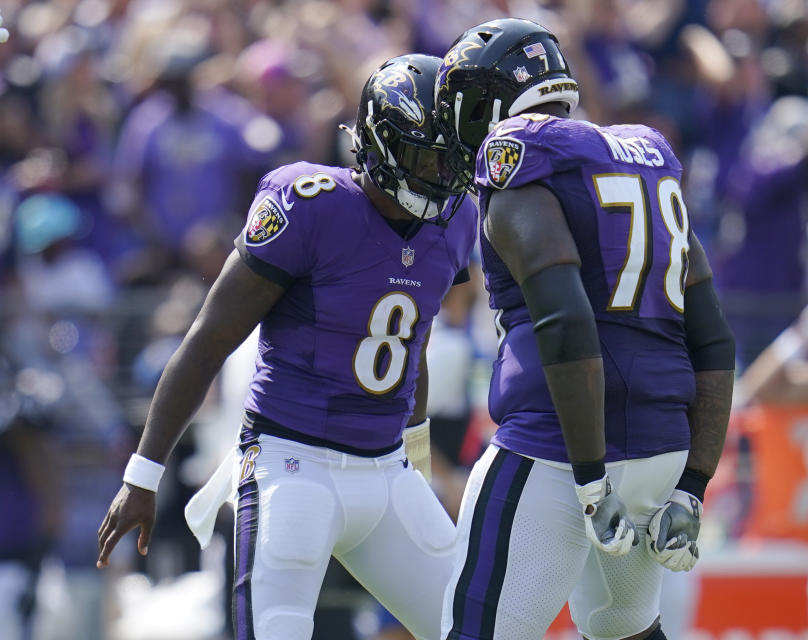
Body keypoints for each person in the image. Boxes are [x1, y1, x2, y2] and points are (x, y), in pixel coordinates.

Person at [96, 54, 478, 640]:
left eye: (451, 155)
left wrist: (419, 462)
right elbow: (209, 338)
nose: (443, 173)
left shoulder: (455, 219)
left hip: (386, 468)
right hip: (290, 464)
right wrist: (142, 474)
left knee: (478, 626)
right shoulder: (311, 202)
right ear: (381, 143)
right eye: (429, 156)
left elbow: (413, 339)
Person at [432, 18, 736, 640]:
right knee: (624, 630)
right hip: (659, 447)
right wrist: (693, 484)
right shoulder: (646, 163)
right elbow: (714, 341)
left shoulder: (520, 159)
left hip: (556, 447)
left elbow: (567, 320)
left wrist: (591, 479)